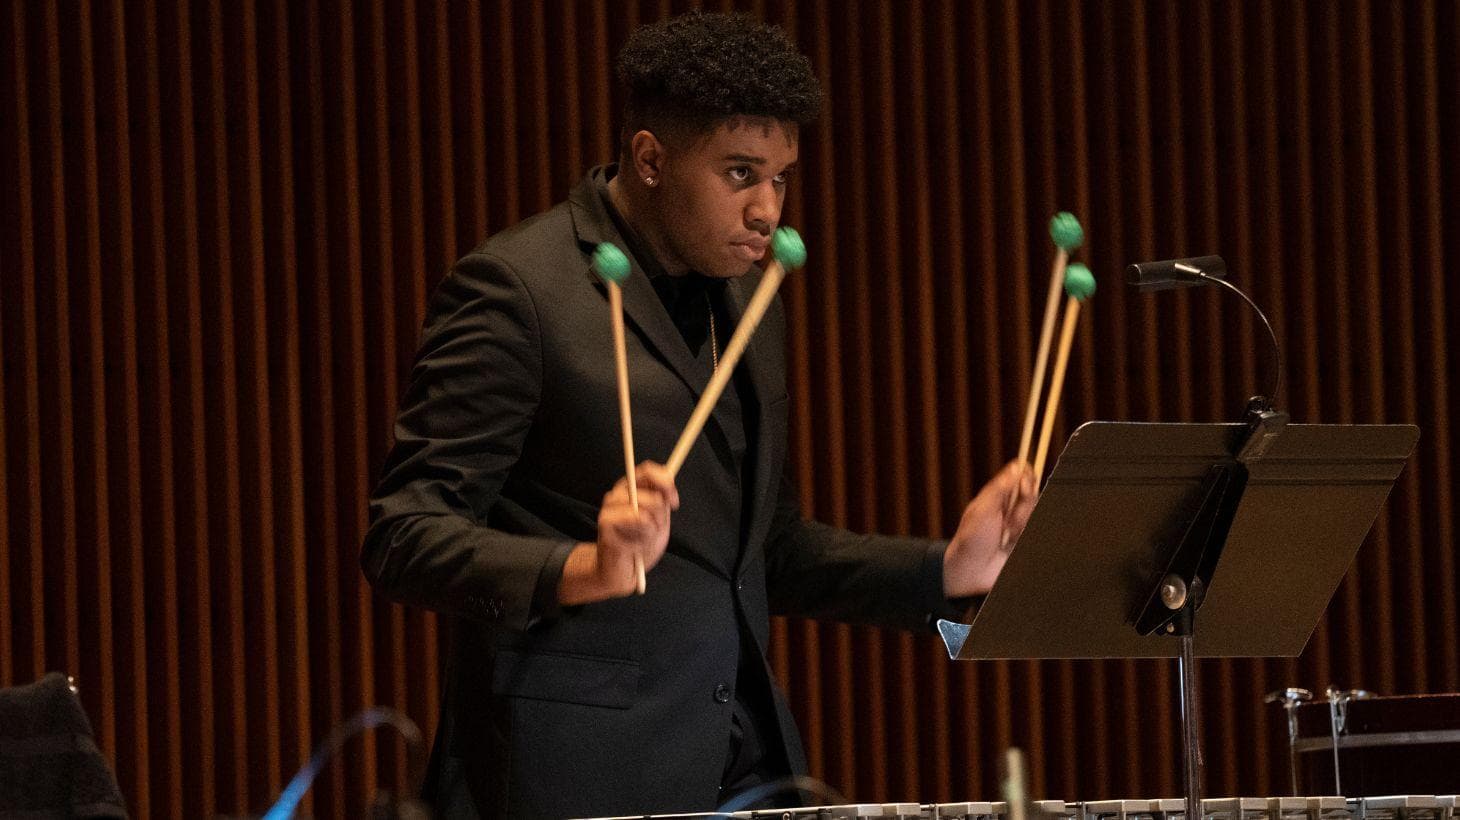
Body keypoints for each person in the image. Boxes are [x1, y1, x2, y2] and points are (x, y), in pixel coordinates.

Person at [361, 11, 1035, 819]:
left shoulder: (751, 297)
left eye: (781, 177)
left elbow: (765, 552)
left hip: (742, 769)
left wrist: (944, 571)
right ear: (650, 157)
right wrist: (583, 568)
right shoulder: (519, 291)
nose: (767, 211)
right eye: (740, 174)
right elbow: (403, 532)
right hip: (567, 782)